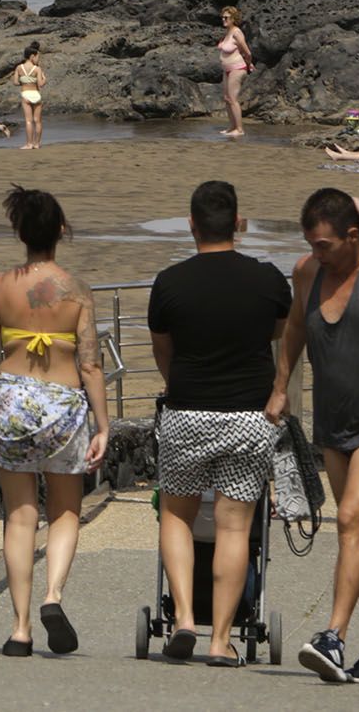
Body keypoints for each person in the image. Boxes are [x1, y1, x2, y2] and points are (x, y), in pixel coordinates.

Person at [148, 179, 293, 665]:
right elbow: (280, 338)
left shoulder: (169, 283)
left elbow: (163, 352)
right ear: (238, 223)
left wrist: (182, 385)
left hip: (187, 412)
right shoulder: (269, 280)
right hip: (249, 416)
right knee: (235, 529)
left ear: (191, 224)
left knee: (176, 516)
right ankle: (220, 640)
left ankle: (185, 618)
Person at [270, 189, 359, 683]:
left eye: (325, 243)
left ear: (353, 235)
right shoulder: (308, 273)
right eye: (311, 242)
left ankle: (333, 635)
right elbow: (293, 332)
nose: (316, 252)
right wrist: (280, 386)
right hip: (333, 424)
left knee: (350, 517)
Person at [0, 186, 108, 657]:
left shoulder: (1, 286)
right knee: (66, 510)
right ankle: (53, 597)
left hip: (8, 403)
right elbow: (90, 363)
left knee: (20, 516)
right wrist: (103, 424)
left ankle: (20, 629)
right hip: (61, 407)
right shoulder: (77, 290)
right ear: (60, 231)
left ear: (20, 232)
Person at [216, 7, 252, 138]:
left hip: (237, 68)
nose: (223, 20)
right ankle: (232, 127)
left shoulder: (237, 32)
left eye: (226, 18)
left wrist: (249, 64)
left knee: (233, 99)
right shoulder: (228, 32)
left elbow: (247, 52)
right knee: (227, 99)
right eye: (223, 17)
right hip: (226, 70)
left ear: (233, 19)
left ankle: (240, 129)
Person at [13, 41, 47, 150]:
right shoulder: (37, 69)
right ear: (32, 56)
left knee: (29, 120)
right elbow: (40, 84)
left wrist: (25, 80)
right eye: (38, 57)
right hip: (36, 94)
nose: (38, 59)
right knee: (38, 121)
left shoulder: (19, 68)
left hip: (26, 94)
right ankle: (37, 144)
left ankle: (29, 144)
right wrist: (45, 78)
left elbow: (16, 82)